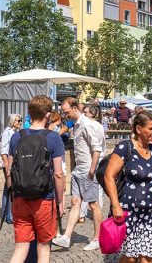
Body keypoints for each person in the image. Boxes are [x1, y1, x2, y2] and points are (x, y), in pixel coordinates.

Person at [104, 111, 152, 262]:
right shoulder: (125, 147)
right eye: (150, 128)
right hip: (129, 212)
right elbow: (109, 176)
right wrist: (115, 205)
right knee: (130, 258)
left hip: (150, 214)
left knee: (149, 257)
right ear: (138, 129)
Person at [8, 95, 65, 263]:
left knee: (20, 247)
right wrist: (60, 201)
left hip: (20, 197)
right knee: (44, 246)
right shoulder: (53, 138)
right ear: (48, 115)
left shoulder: (16, 136)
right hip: (44, 199)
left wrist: (13, 195)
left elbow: (9, 169)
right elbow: (58, 173)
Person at [53, 98, 103, 251]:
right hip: (78, 169)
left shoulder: (87, 124)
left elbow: (96, 148)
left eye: (67, 112)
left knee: (93, 204)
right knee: (76, 202)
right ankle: (67, 237)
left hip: (87, 170)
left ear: (75, 109)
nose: (65, 115)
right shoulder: (77, 124)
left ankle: (97, 238)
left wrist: (92, 170)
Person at [0, 114, 22, 224]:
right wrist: (7, 166)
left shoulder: (15, 133)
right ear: (12, 121)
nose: (20, 122)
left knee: (8, 189)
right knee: (11, 189)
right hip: (9, 163)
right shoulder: (7, 132)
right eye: (18, 121)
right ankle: (10, 215)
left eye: (20, 120)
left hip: (14, 163)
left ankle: (5, 213)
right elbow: (4, 150)